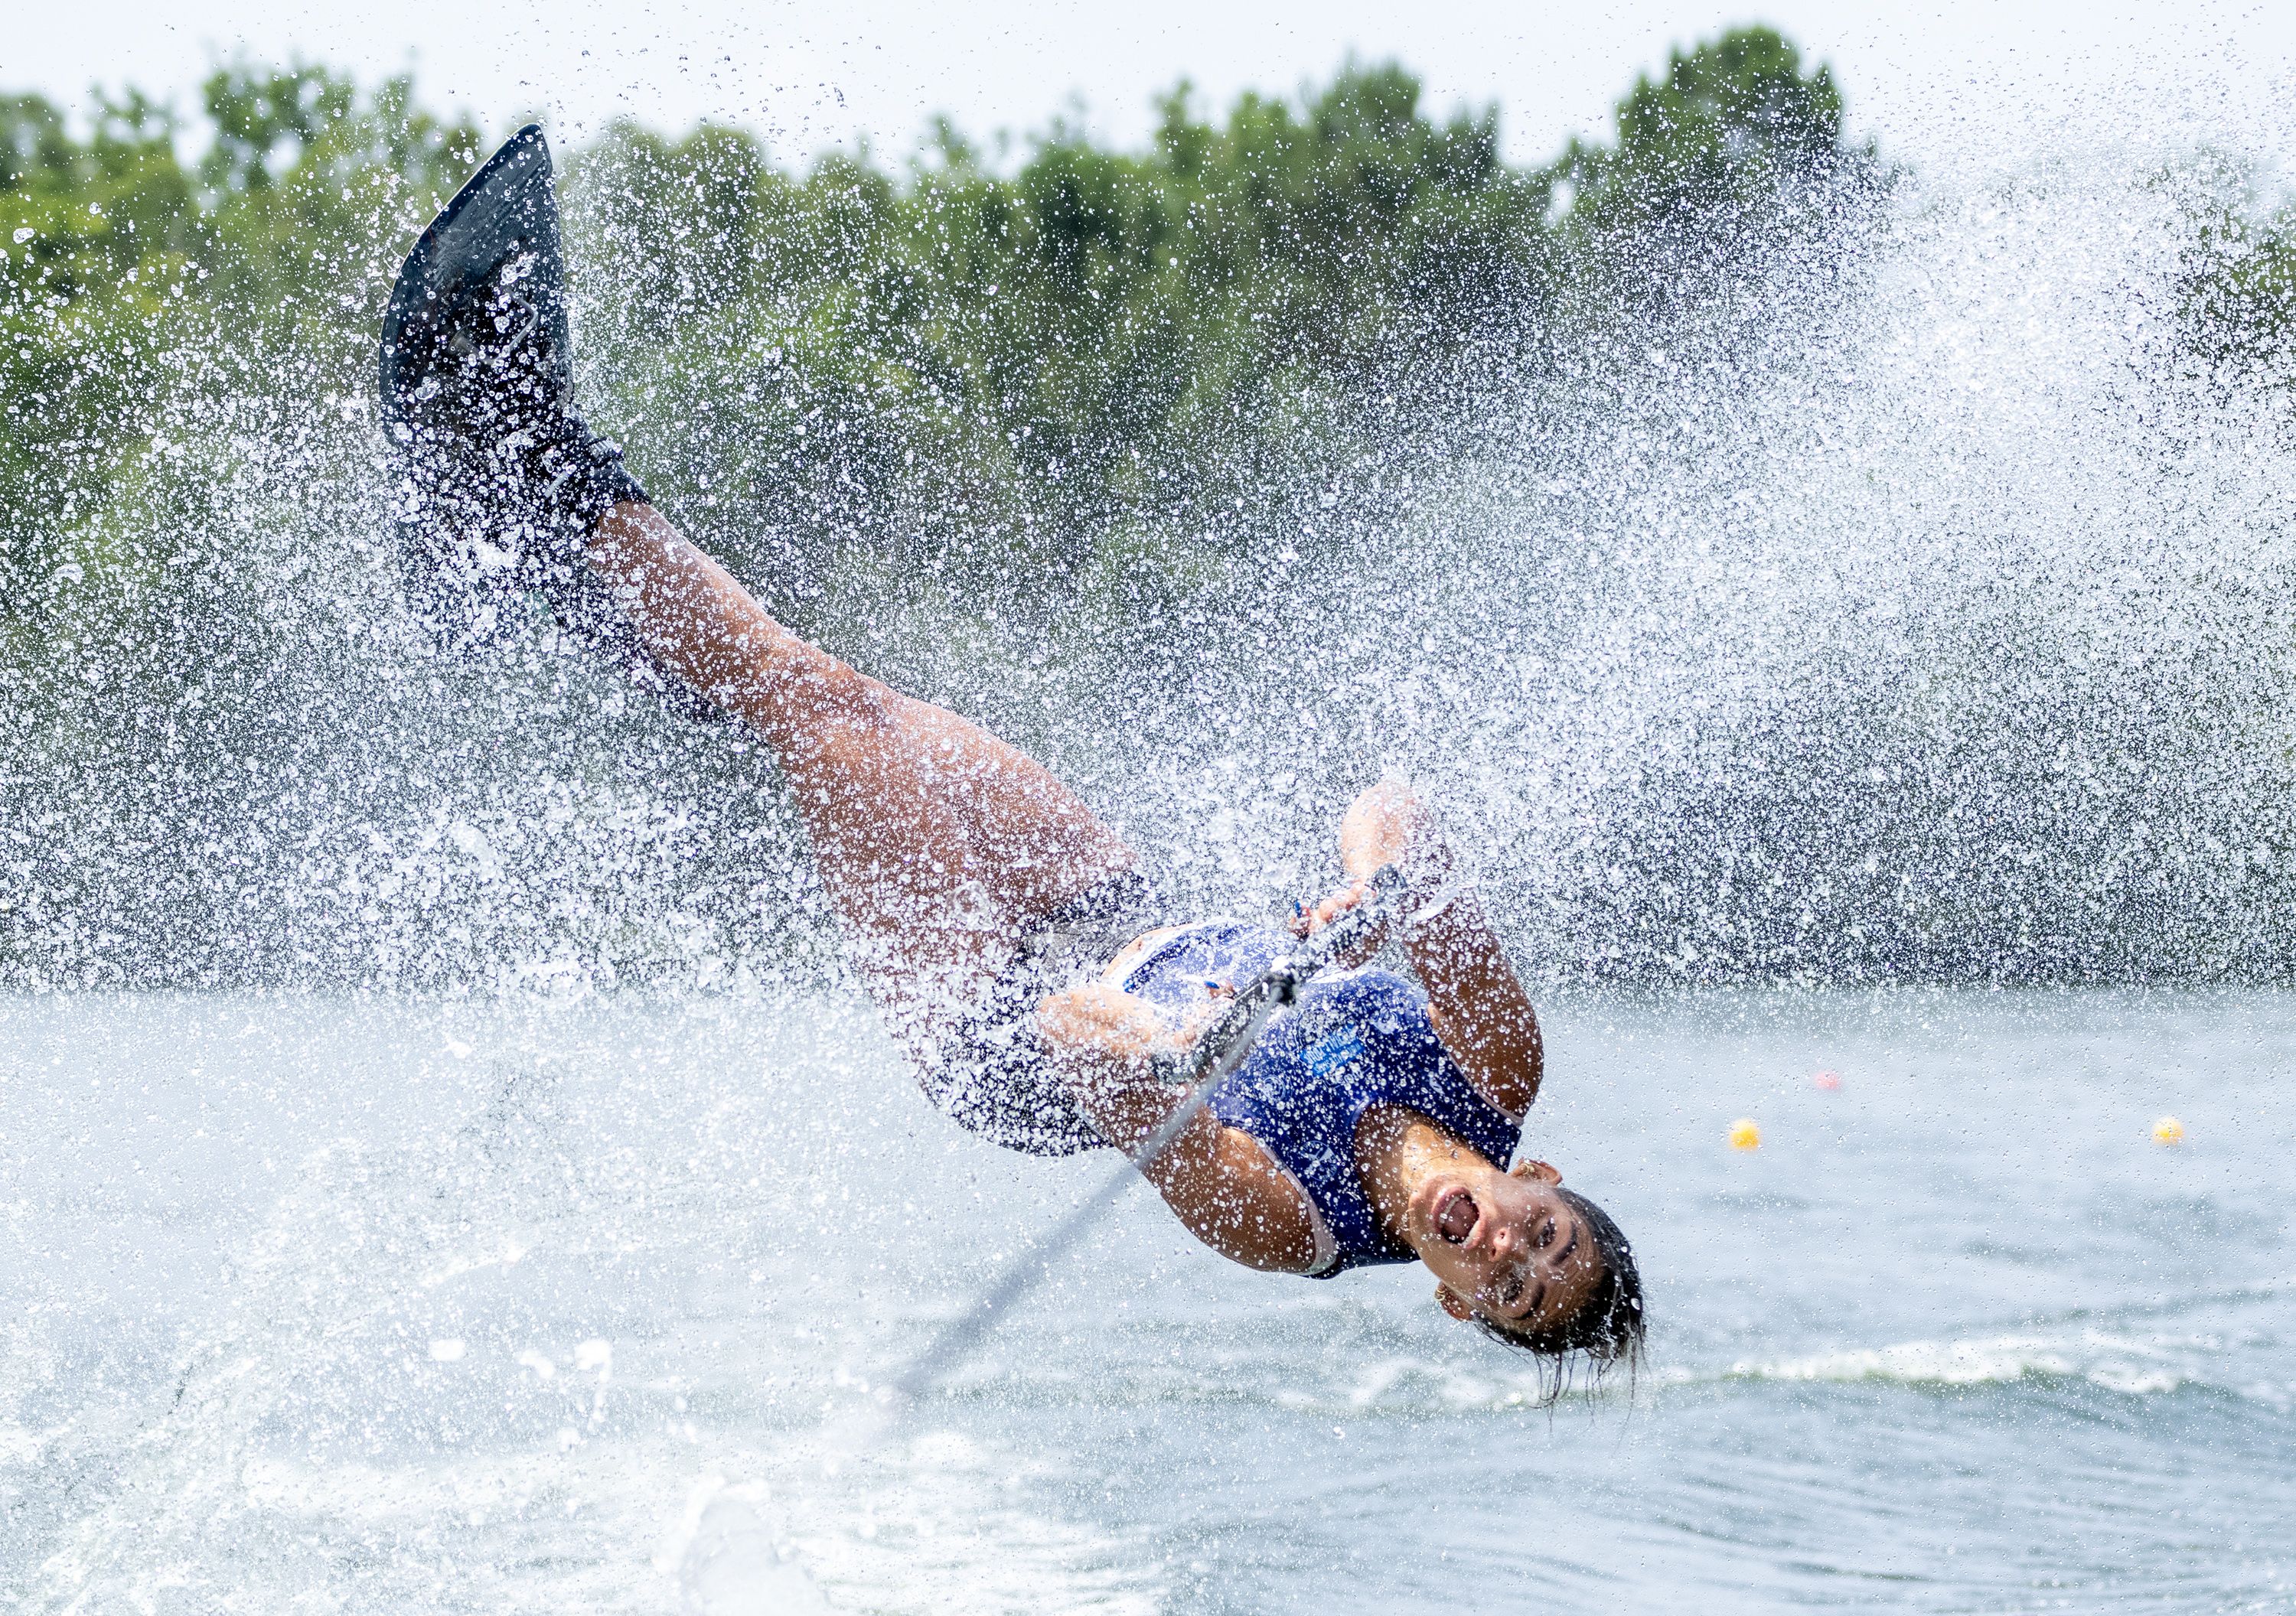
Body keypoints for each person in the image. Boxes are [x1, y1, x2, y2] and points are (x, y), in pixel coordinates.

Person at [377, 126, 1643, 1376]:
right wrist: (1378, 893)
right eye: (1544, 1239)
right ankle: (510, 536)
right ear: (1539, 1180)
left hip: (998, 1043)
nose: (1508, 1256)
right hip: (1128, 902)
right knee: (837, 699)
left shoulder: (1285, 1227)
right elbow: (1392, 810)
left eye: (1512, 1294)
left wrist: (1162, 1051)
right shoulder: (1498, 1063)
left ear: (1457, 1308)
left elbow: (1072, 1032)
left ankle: (506, 440)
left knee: (817, 718)